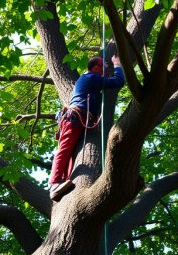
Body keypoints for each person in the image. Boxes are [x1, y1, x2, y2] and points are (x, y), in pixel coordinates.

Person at [49, 55, 125, 201]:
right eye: (103, 66)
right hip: (74, 118)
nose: (105, 69)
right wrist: (117, 65)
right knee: (65, 149)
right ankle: (54, 184)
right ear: (96, 67)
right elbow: (118, 81)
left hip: (79, 120)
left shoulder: (89, 80)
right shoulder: (91, 78)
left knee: (69, 151)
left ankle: (62, 182)